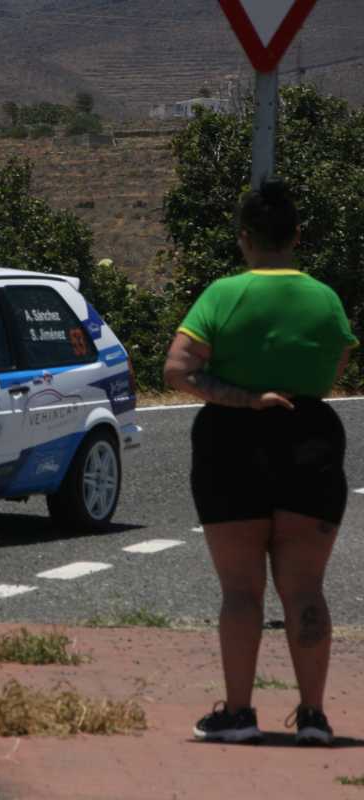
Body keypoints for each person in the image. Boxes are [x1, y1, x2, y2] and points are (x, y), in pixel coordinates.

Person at [163, 179, 357, 746]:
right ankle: (314, 716)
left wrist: (246, 398)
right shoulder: (324, 299)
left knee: (241, 590)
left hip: (231, 443)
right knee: (306, 587)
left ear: (244, 238)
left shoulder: (223, 295)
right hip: (310, 437)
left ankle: (239, 713)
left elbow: (178, 369)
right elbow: (337, 364)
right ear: (296, 236)